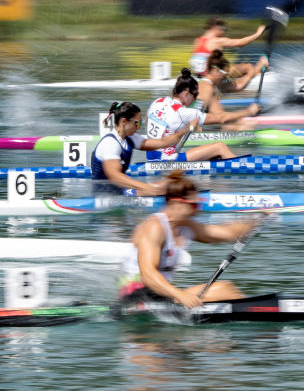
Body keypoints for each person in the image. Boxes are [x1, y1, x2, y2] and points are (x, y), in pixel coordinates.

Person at [118, 172, 259, 308]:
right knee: (223, 291)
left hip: (159, 294)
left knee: (226, 289)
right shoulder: (154, 227)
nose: (196, 211)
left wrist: (259, 217)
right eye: (194, 206)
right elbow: (148, 275)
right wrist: (180, 295)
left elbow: (227, 233)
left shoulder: (185, 225)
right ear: (175, 203)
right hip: (136, 298)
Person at [146, 68, 259, 161]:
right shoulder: (185, 112)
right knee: (220, 147)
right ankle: (246, 166)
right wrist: (248, 111)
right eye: (195, 95)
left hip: (151, 156)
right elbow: (221, 118)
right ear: (186, 93)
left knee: (212, 154)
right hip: (166, 160)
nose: (195, 98)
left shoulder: (157, 102)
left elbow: (148, 120)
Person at [91, 101, 196, 196]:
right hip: (105, 194)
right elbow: (114, 176)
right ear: (124, 122)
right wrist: (147, 188)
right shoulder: (110, 143)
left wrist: (188, 128)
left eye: (141, 123)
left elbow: (163, 142)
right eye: (137, 123)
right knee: (162, 188)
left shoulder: (130, 138)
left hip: (119, 190)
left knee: (169, 184)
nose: (139, 127)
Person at [196, 49, 267, 129]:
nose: (225, 78)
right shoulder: (208, 88)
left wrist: (259, 66)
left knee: (244, 126)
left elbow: (239, 85)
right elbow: (222, 118)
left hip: (196, 125)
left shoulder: (212, 84)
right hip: (189, 131)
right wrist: (248, 112)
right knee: (245, 128)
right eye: (224, 75)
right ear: (216, 71)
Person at [189, 17, 266, 76]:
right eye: (223, 29)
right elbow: (241, 43)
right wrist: (258, 33)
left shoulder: (197, 41)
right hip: (213, 75)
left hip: (200, 75)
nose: (224, 32)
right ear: (215, 27)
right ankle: (260, 67)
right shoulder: (217, 41)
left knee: (228, 66)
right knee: (248, 67)